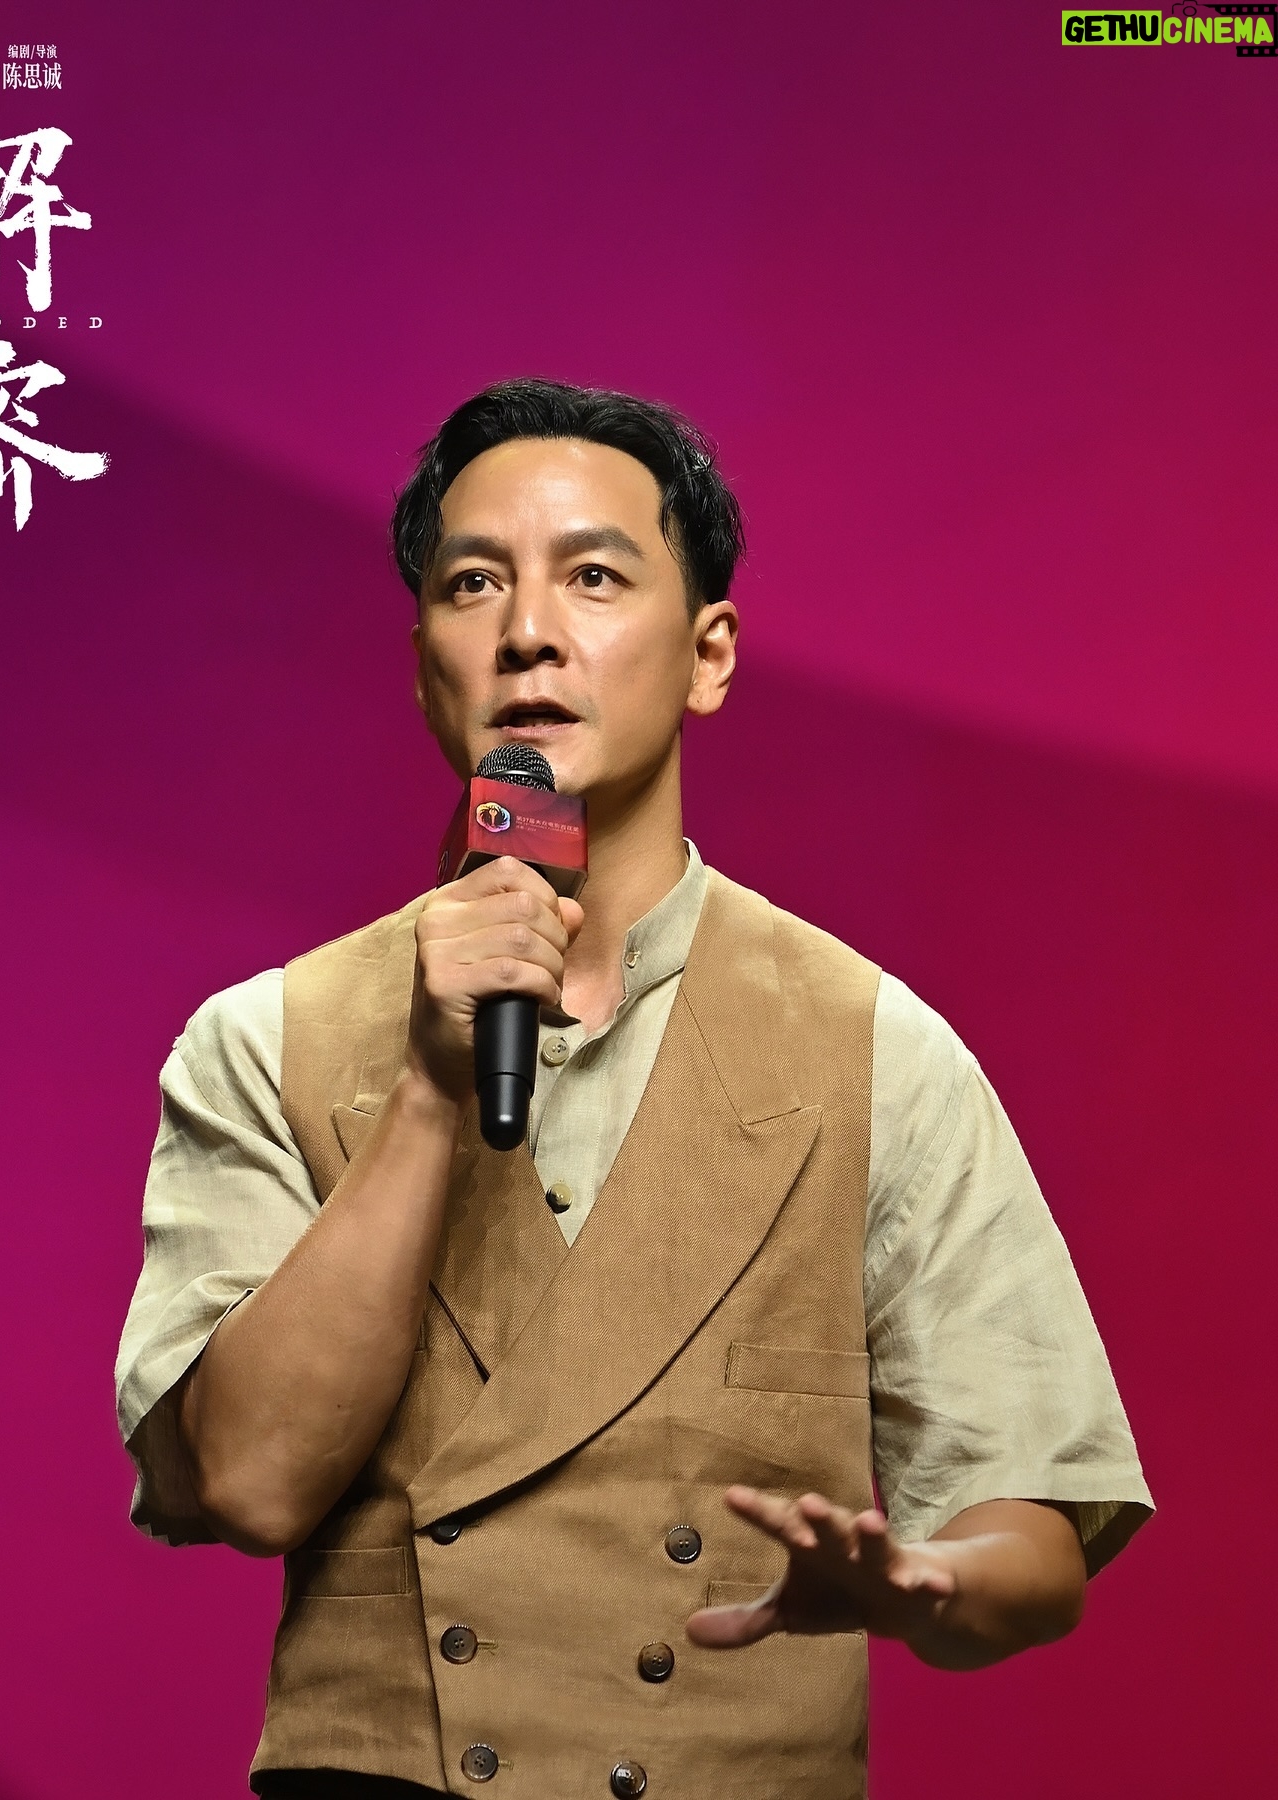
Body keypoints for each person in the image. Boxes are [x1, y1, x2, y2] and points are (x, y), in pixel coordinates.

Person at [116, 380, 1152, 1799]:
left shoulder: (874, 1048)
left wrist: (926, 1581)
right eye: (474, 583)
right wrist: (427, 1091)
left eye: (594, 577)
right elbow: (250, 1481)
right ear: (423, 666)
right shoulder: (262, 1040)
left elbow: (1031, 1534)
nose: (529, 631)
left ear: (708, 654)